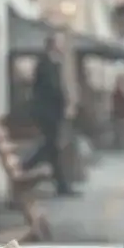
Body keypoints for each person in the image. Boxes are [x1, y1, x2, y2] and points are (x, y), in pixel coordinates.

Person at [23, 33, 78, 196]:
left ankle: (62, 186)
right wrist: (65, 103)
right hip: (48, 113)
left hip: (53, 113)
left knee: (52, 149)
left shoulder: (54, 63)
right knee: (51, 148)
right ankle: (24, 168)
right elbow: (52, 90)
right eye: (60, 43)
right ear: (53, 45)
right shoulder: (45, 63)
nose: (63, 47)